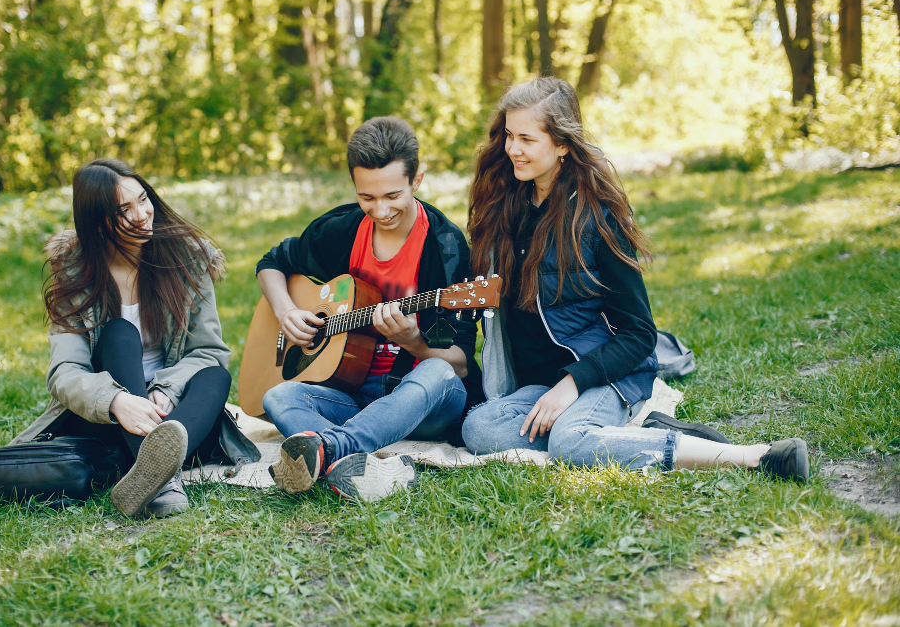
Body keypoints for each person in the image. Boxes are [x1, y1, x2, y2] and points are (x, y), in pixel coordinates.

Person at [461, 78, 809, 483]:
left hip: (605, 373)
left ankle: (750, 456)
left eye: (526, 138)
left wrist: (573, 384)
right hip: (542, 384)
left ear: (562, 145)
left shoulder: (596, 217)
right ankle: (624, 437)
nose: (512, 149)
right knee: (479, 428)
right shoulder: (506, 208)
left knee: (568, 443)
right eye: (508, 135)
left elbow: (639, 334)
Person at [257, 117, 482, 501]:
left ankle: (330, 449)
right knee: (276, 396)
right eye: (367, 197)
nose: (380, 210)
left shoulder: (445, 248)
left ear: (417, 180)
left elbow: (458, 363)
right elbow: (273, 263)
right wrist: (286, 312)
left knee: (436, 373)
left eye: (393, 195)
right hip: (352, 392)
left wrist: (413, 342)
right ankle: (351, 464)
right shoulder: (342, 229)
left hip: (422, 401)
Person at [39, 158, 232, 517]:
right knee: (118, 334)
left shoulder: (188, 259)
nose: (143, 214)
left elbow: (208, 351)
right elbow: (63, 373)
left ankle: (150, 470)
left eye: (144, 199)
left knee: (217, 376)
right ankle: (164, 476)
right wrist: (116, 401)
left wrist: (168, 389)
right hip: (108, 418)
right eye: (124, 210)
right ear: (98, 224)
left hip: (172, 410)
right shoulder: (75, 274)